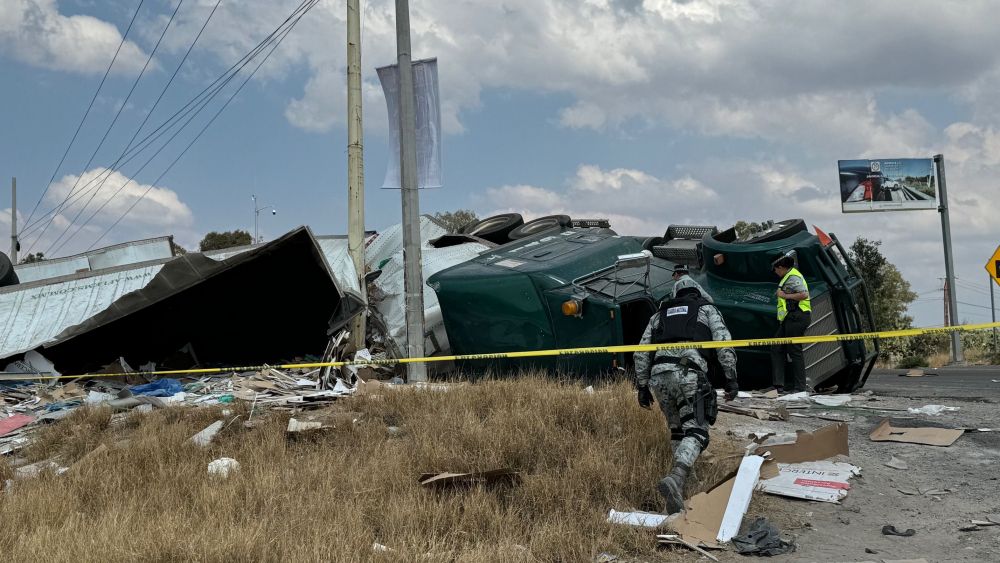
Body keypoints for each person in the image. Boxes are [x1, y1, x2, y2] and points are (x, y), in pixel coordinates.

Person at [634, 274, 738, 514]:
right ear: (698, 292)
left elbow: (640, 352)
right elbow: (723, 342)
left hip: (658, 376)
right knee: (698, 431)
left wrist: (642, 386)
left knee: (678, 431)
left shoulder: (658, 315)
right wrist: (731, 377)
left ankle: (679, 493)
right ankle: (677, 478)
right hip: (688, 372)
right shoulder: (706, 309)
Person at [769, 252, 811, 393]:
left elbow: (804, 294)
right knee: (777, 347)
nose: (775, 272)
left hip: (797, 316)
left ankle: (799, 388)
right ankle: (779, 385)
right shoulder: (788, 276)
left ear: (780, 267)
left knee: (795, 351)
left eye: (775, 269)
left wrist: (784, 295)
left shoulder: (792, 276)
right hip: (790, 318)